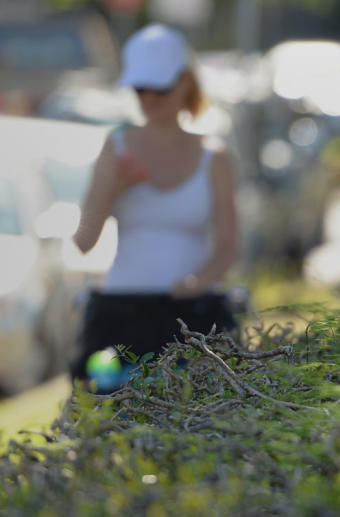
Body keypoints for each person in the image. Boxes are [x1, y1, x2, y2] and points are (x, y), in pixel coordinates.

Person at [71, 24, 238, 392]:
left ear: (185, 82)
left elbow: (228, 244)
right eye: (139, 87)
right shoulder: (115, 148)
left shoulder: (215, 156)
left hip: (193, 322)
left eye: (159, 86)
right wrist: (114, 189)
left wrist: (198, 282)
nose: (149, 97)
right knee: (114, 418)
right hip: (120, 319)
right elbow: (84, 241)